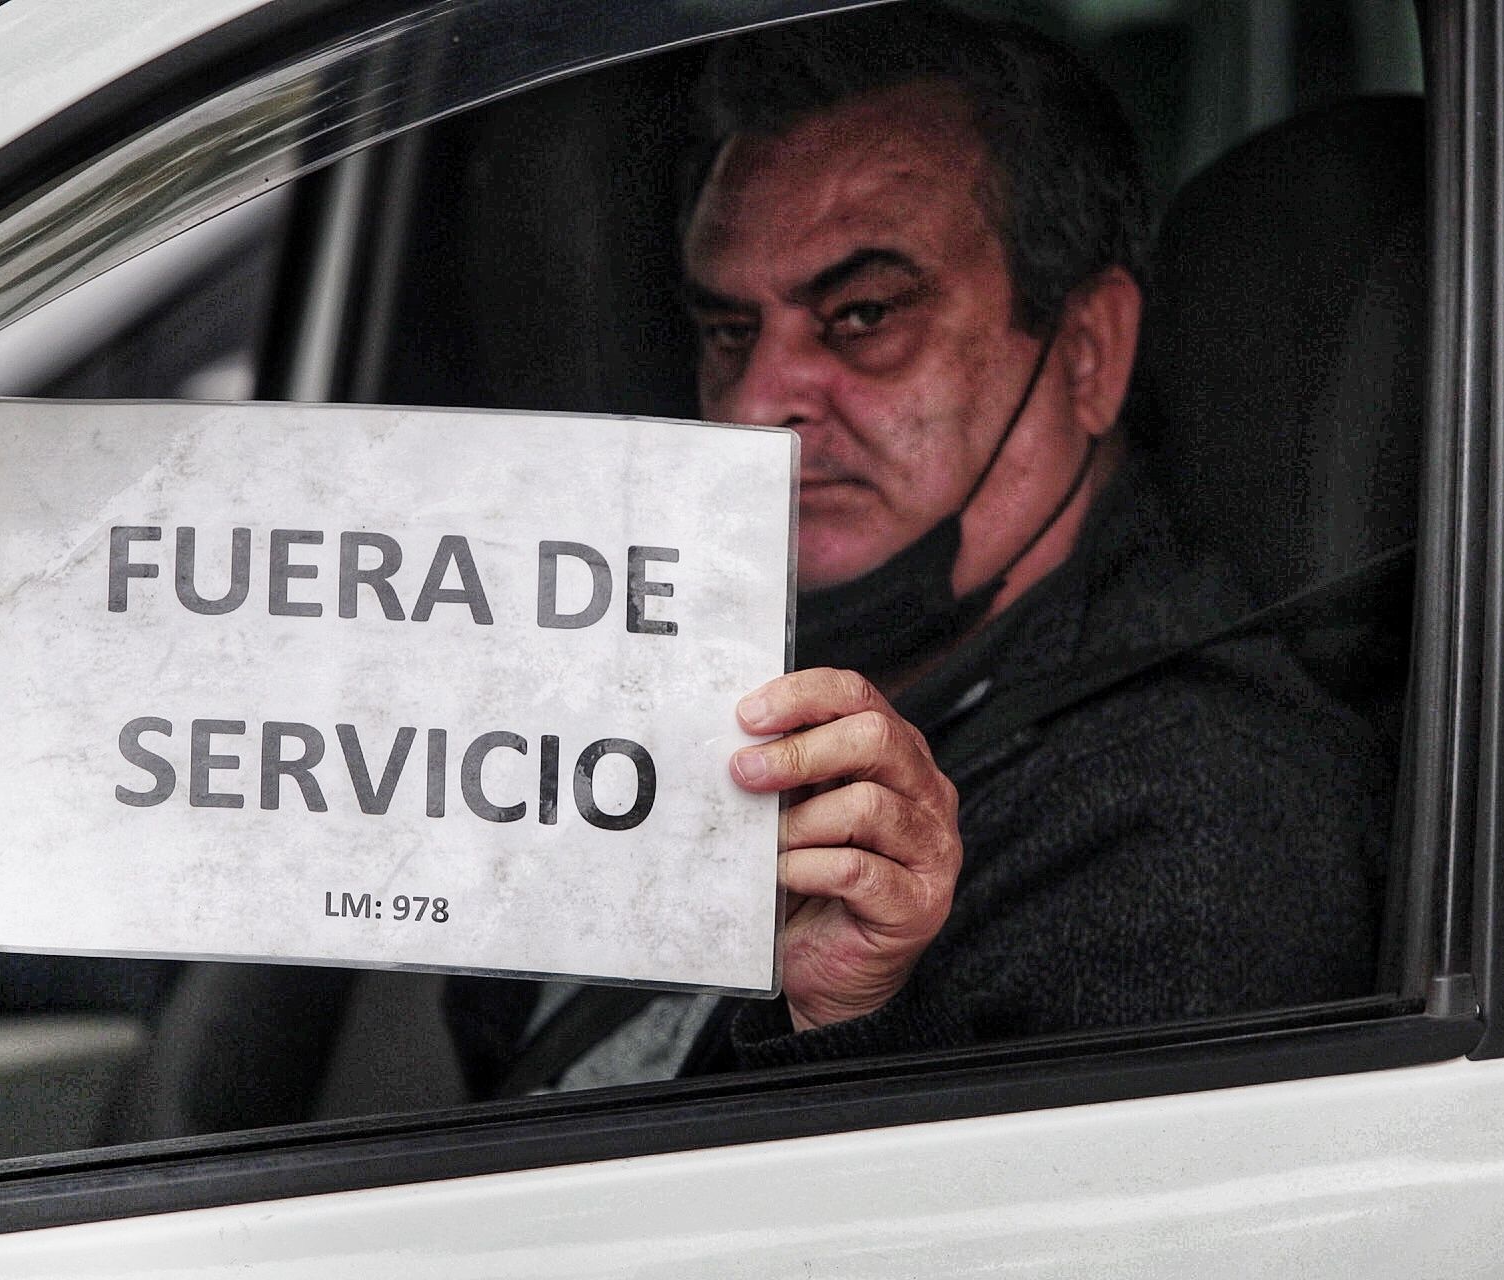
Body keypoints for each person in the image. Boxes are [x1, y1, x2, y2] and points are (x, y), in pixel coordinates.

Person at [445, 3, 1384, 1092]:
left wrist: (849, 1020)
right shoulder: (683, 662)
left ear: (1087, 352)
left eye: (863, 315)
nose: (756, 405)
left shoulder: (1198, 838)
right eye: (727, 332)